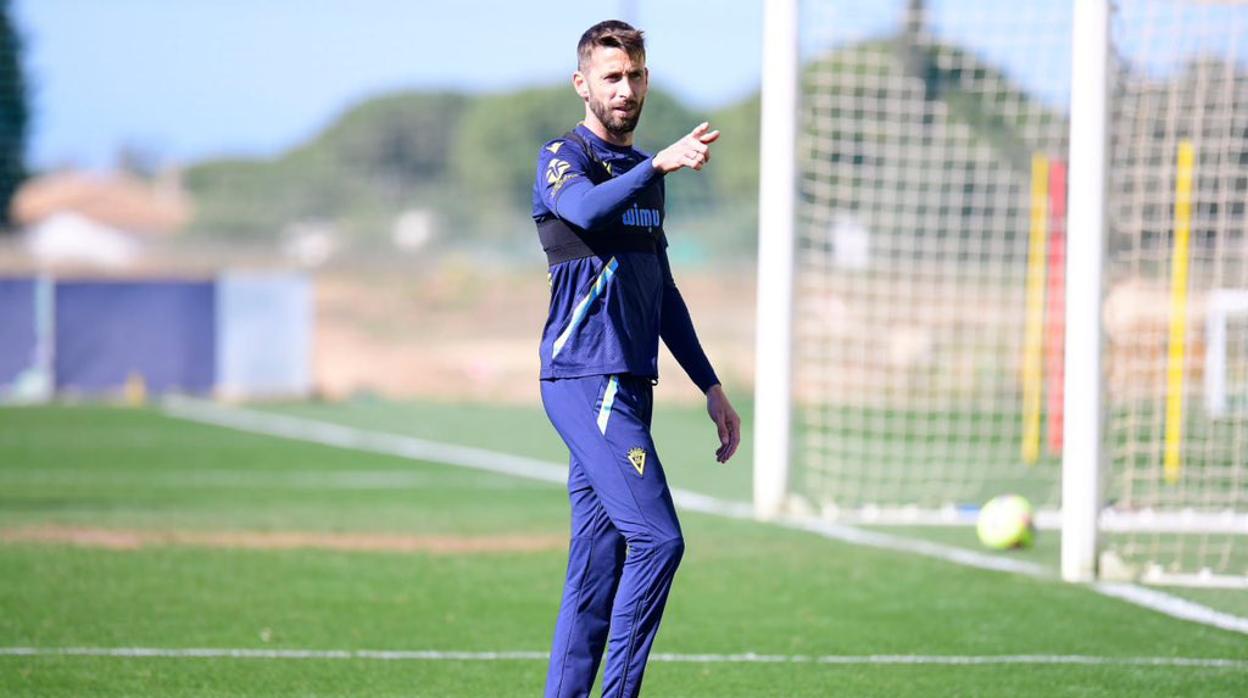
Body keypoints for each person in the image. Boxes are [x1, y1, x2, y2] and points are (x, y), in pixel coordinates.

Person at [531, 19, 742, 698]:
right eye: (612, 76)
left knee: (596, 569)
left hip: (631, 382)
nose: (626, 88)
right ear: (582, 83)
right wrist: (657, 164)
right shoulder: (564, 157)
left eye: (636, 74)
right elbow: (586, 212)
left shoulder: (649, 173)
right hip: (582, 376)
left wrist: (710, 385)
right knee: (658, 540)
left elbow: (663, 292)